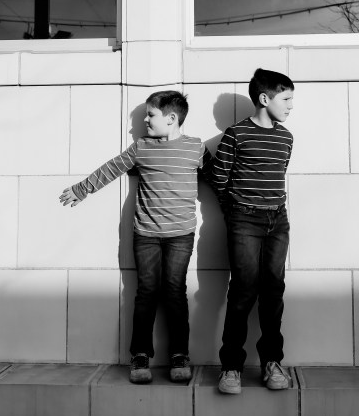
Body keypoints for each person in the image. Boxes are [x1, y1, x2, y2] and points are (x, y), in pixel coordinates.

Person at [59, 90, 211, 384]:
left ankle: (179, 354)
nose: (144, 121)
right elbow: (113, 167)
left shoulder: (196, 148)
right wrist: (82, 189)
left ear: (171, 118)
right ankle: (140, 354)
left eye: (150, 115)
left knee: (175, 292)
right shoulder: (142, 147)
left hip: (181, 235)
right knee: (147, 292)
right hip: (146, 235)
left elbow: (217, 178)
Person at [210, 68, 295, 395]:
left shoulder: (286, 137)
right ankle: (231, 367)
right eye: (286, 99)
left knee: (273, 291)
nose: (290, 106)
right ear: (264, 98)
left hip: (278, 221)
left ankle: (272, 362)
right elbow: (219, 178)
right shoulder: (237, 135)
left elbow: (280, 172)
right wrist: (235, 212)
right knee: (243, 291)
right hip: (244, 220)